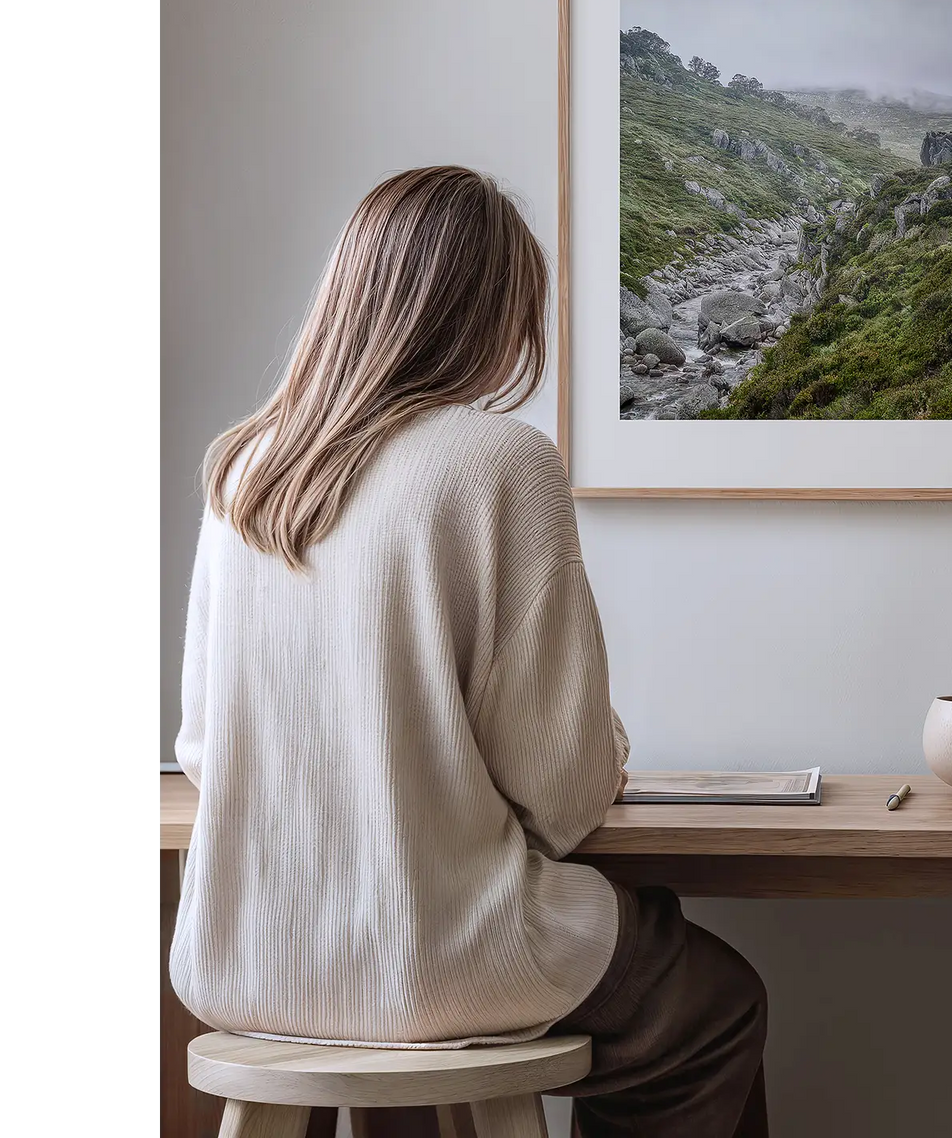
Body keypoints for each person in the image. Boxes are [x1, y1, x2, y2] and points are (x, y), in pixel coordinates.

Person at [172, 166, 768, 1138]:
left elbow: (202, 748)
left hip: (242, 964)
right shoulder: (500, 460)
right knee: (715, 1008)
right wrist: (604, 750)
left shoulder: (245, 467)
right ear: (490, 314)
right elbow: (564, 796)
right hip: (434, 967)